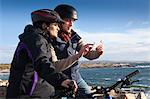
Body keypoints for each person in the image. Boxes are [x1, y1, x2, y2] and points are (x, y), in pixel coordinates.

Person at [6, 9, 79, 98]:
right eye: (55, 25)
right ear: (45, 26)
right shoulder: (35, 40)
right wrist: (61, 80)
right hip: (28, 94)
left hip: (38, 92)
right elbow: (42, 63)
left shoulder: (42, 40)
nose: (58, 28)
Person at [53, 4, 104, 97]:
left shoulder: (74, 36)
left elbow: (88, 55)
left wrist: (97, 53)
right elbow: (53, 65)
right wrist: (79, 55)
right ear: (59, 20)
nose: (71, 24)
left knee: (89, 96)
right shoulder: (51, 37)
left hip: (76, 77)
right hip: (59, 79)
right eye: (68, 20)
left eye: (72, 21)